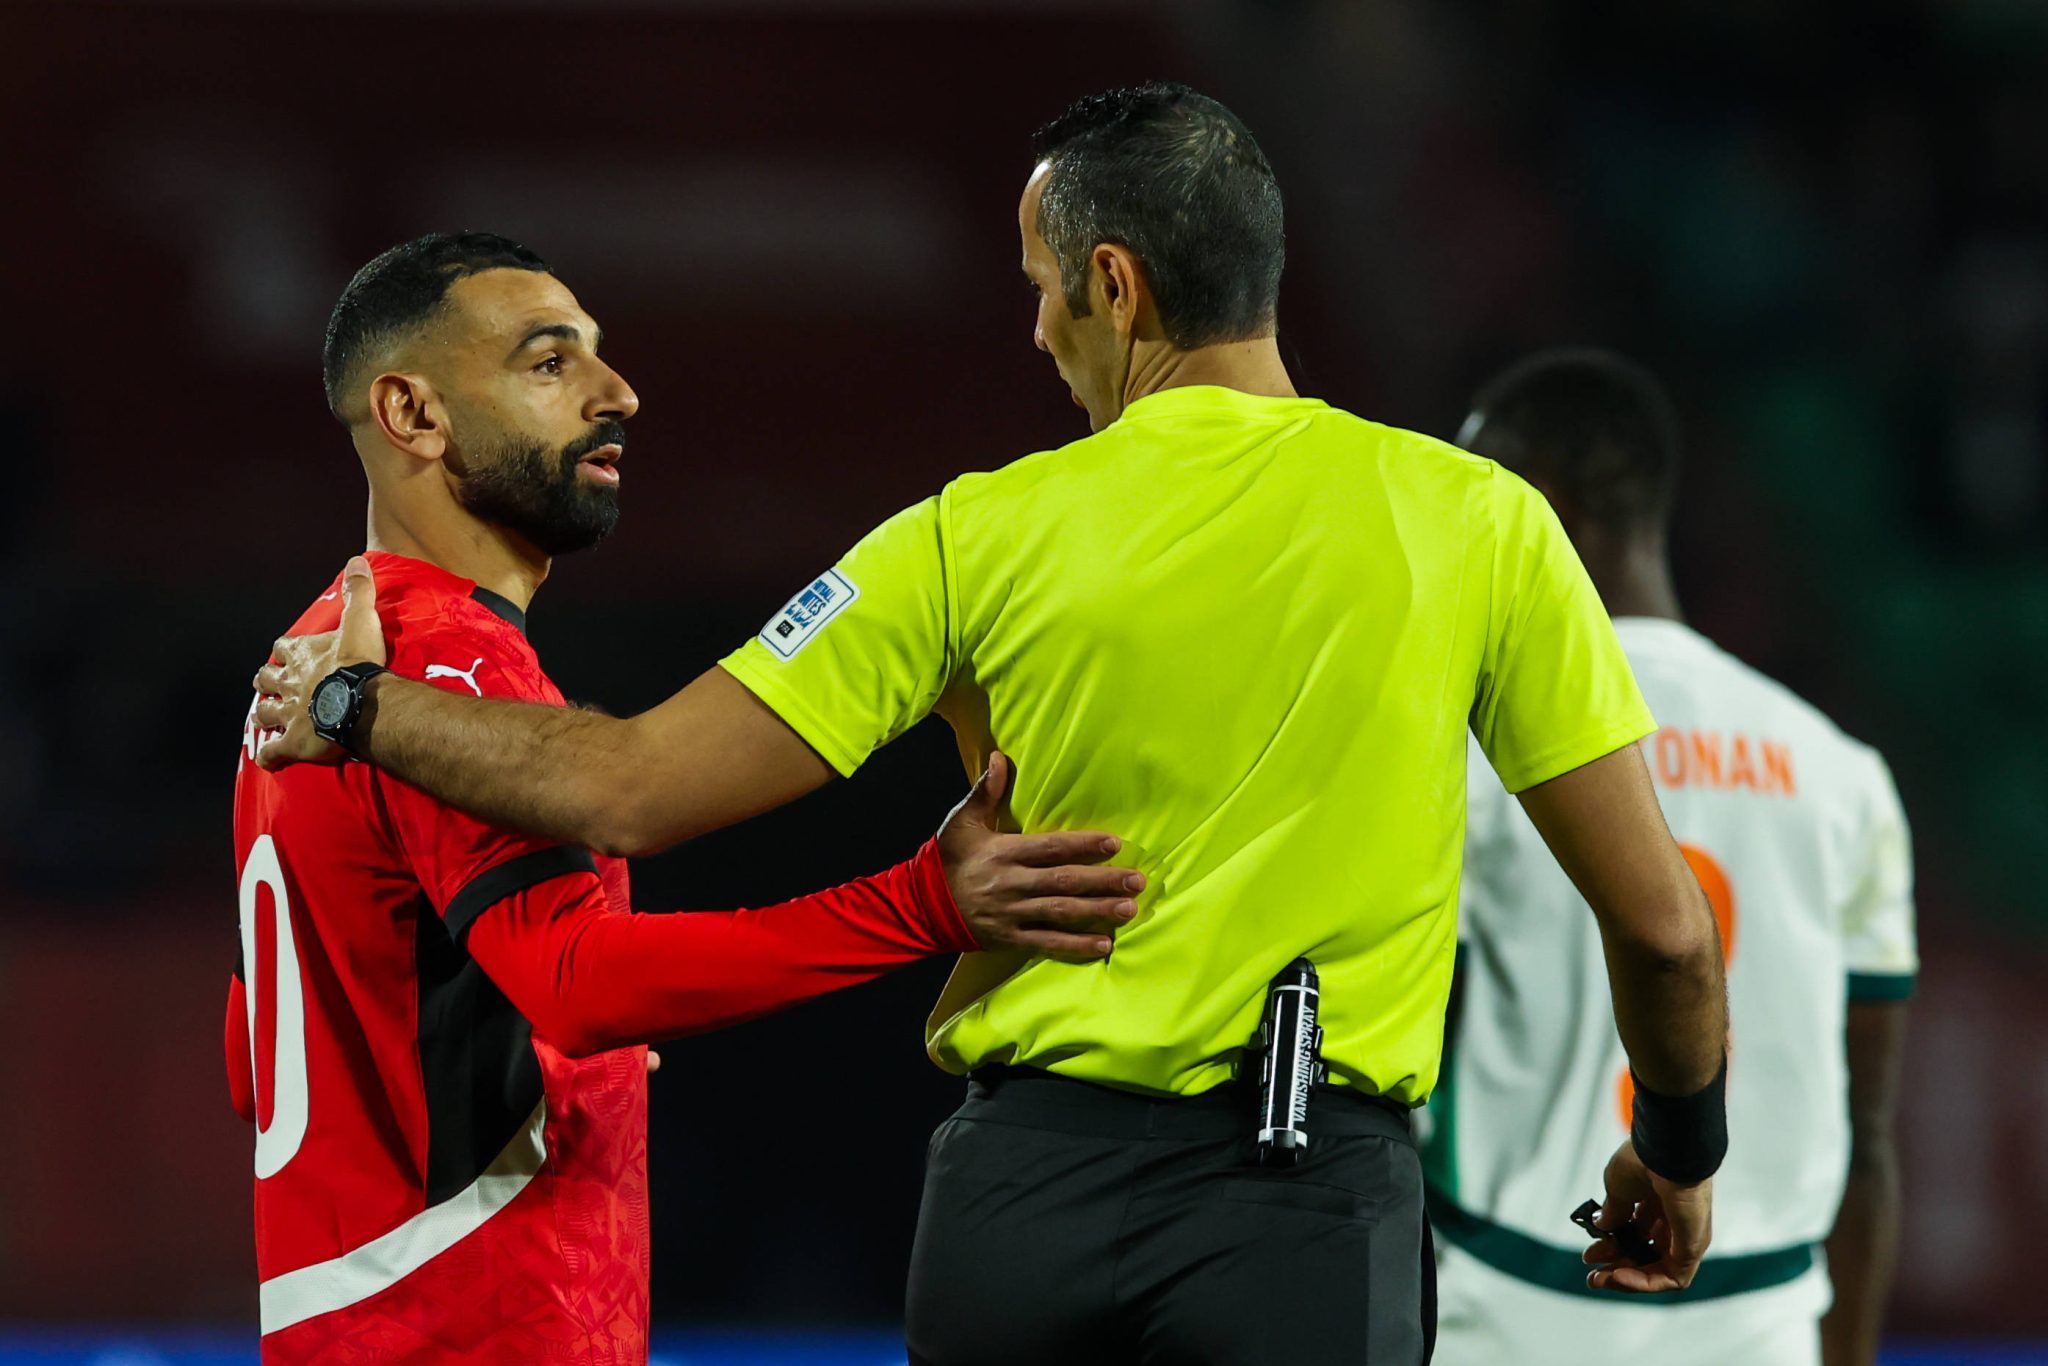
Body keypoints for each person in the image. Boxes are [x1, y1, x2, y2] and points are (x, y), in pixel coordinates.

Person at [252, 87, 1729, 1363]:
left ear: (1114, 286)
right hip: (1305, 1207)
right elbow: (1664, 931)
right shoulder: (1479, 524)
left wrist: (346, 702)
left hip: (1020, 1207)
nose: (1034, 328)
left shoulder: (967, 535)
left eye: (1040, 286)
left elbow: (625, 785)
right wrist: (1676, 1150)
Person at [230, 232, 1140, 1363]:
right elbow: (582, 984)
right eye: (549, 363)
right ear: (412, 413)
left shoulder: (314, 660)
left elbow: (254, 1048)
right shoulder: (440, 667)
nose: (617, 393)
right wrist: (921, 904)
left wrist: (517, 1058)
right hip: (471, 1328)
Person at [1424, 350, 1916, 1366]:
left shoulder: (1470, 753)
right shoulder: (1840, 773)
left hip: (1505, 1311)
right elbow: (1867, 1141)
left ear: (1539, 506)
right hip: (1755, 1325)